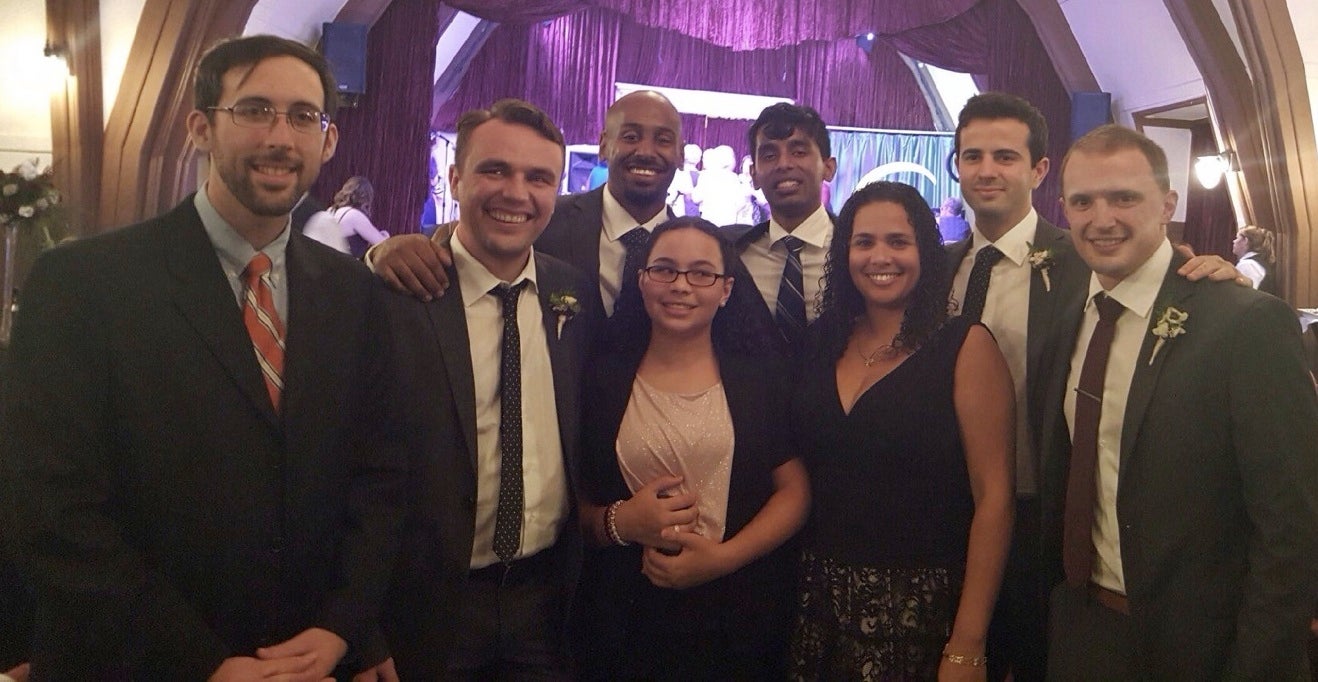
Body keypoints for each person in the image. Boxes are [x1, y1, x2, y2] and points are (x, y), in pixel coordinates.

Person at [0, 34, 409, 680]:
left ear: (328, 141)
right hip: (137, 661)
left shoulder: (354, 292)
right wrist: (200, 663)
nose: (281, 137)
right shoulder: (83, 283)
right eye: (254, 110)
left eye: (303, 116)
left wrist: (342, 626)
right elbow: (49, 506)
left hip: (303, 659)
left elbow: (377, 476)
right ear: (200, 128)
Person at [944, 91, 1245, 682]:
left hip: (1049, 517)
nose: (986, 170)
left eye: (1005, 156)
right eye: (972, 156)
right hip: (949, 509)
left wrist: (1215, 280)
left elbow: (1165, 284)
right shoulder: (937, 265)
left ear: (1038, 171)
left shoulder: (1090, 253)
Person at [1038, 124, 1318, 679]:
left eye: (1124, 197)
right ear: (1064, 210)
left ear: (1167, 205)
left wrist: (1256, 666)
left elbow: (1292, 524)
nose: (1102, 218)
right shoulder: (1067, 313)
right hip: (1083, 631)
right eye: (1083, 201)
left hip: (1205, 648)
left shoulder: (1244, 323)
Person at [377, 98, 600, 679]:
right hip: (426, 606)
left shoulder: (571, 292)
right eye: (495, 170)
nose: (516, 193)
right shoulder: (398, 294)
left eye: (538, 178)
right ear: (455, 179)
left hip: (545, 602)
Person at [790, 181, 1015, 680]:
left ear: (926, 253)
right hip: (818, 602)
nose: (880, 257)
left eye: (898, 241)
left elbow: (995, 499)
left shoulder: (965, 346)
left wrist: (968, 643)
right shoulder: (820, 342)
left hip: (923, 608)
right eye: (864, 242)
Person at [575, 218, 810, 679]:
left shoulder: (758, 378)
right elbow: (569, 502)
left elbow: (795, 492)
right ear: (641, 280)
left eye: (701, 273)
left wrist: (723, 558)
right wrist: (620, 522)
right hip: (623, 618)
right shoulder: (601, 377)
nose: (681, 285)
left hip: (738, 618)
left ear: (726, 290)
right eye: (664, 269)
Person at [723, 103, 838, 354]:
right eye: (769, 155)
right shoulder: (730, 254)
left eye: (798, 152)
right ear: (753, 174)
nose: (784, 164)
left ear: (828, 168)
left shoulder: (855, 251)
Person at [304, 175, 389, 257]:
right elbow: (381, 243)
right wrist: (386, 234)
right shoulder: (355, 215)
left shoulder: (331, 210)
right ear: (366, 197)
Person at [1232, 224, 1278, 294]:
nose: (1234, 241)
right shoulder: (1255, 263)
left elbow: (1242, 295)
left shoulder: (1248, 265)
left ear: (1245, 241)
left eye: (1237, 238)